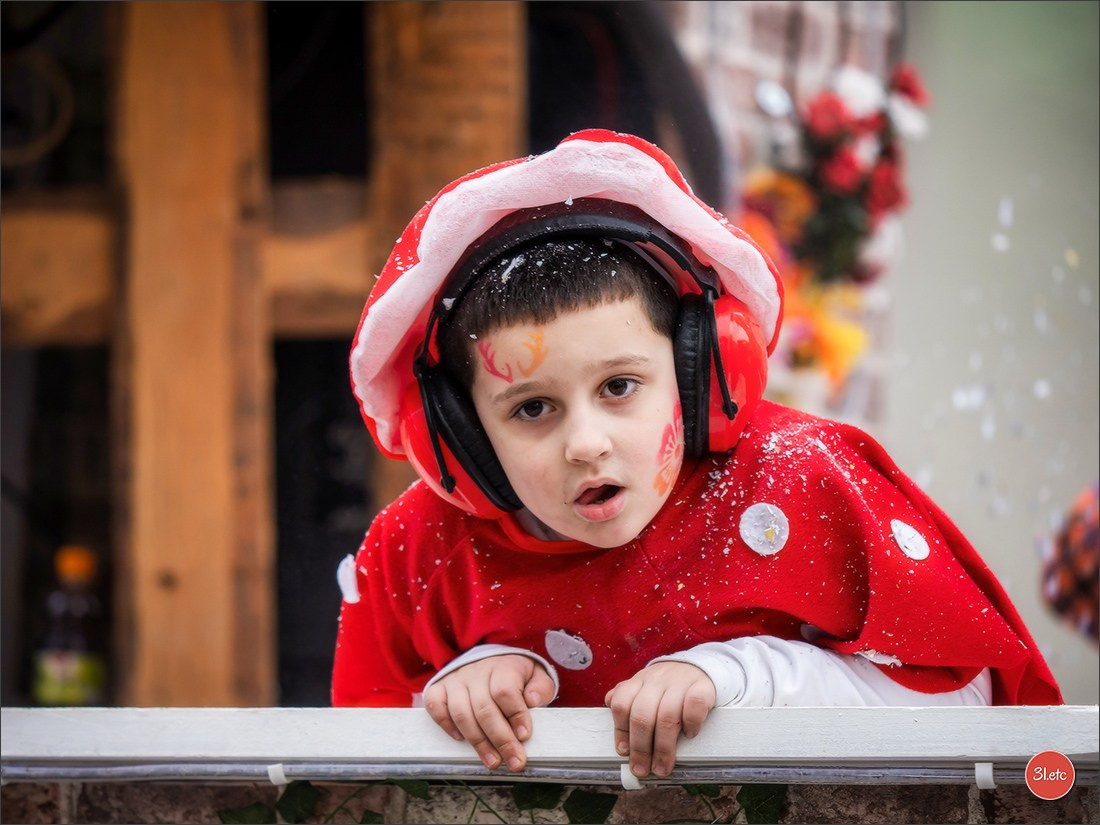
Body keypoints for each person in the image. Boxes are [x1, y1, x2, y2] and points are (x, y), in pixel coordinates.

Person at [332, 129, 1061, 780]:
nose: (586, 443)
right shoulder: (420, 552)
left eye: (620, 386)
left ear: (702, 372)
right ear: (455, 438)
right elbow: (352, 765)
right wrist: (455, 689)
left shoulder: (803, 478)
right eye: (531, 408)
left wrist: (739, 675)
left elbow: (975, 705)